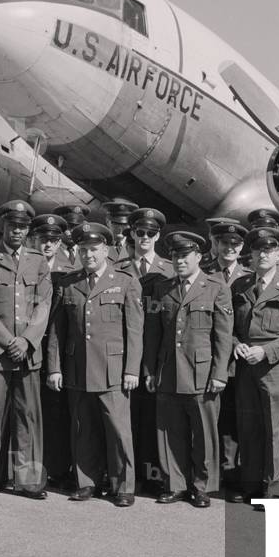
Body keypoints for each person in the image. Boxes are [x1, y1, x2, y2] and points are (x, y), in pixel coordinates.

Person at [46, 222, 144, 507]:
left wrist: (132, 369)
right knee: (83, 429)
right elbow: (56, 331)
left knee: (118, 431)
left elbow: (135, 331)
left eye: (94, 249)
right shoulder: (69, 283)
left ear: (107, 250)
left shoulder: (125, 281)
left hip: (113, 371)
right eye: (83, 249)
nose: (88, 255)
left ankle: (123, 486)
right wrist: (54, 367)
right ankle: (87, 483)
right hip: (78, 369)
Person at [0, 201, 52, 502]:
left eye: (23, 227)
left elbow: (43, 305)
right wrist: (8, 342)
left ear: (28, 230)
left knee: (28, 418)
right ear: (3, 226)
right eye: (13, 225)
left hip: (28, 355)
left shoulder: (38, 262)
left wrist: (27, 340)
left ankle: (28, 481)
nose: (17, 231)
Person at [143, 231, 234, 508]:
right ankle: (175, 484)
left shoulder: (216, 287)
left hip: (201, 373)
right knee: (170, 432)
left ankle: (202, 486)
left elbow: (223, 335)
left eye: (184, 256)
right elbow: (153, 334)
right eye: (174, 256)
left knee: (203, 434)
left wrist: (219, 373)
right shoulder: (163, 289)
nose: (179, 261)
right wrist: (150, 370)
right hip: (168, 371)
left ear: (198, 257)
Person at [230, 227, 279, 506]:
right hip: (246, 365)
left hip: (275, 368)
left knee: (276, 430)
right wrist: (237, 343)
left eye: (269, 250)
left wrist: (267, 351)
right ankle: (249, 484)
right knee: (248, 427)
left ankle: (275, 490)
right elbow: (230, 327)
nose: (263, 254)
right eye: (258, 249)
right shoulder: (240, 286)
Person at [115, 207, 174, 494]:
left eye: (151, 233)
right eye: (140, 232)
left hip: (156, 355)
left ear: (158, 235)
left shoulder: (170, 270)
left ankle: (153, 476)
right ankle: (125, 475)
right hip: (124, 354)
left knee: (154, 418)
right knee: (124, 416)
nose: (145, 238)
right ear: (132, 234)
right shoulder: (117, 268)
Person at [202, 220, 251, 499]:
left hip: (240, 362)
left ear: (241, 247)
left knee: (233, 421)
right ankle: (208, 475)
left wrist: (238, 344)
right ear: (216, 244)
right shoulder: (205, 273)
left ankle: (231, 476)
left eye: (235, 244)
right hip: (210, 356)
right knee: (209, 420)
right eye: (224, 243)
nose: (229, 248)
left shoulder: (249, 275)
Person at [31, 213, 73, 491]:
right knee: (29, 413)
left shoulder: (70, 272)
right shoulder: (24, 266)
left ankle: (57, 469)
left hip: (57, 351)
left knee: (58, 414)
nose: (48, 245)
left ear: (60, 243)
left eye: (53, 240)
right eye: (44, 239)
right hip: (28, 347)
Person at [52, 203, 90, 272]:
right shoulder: (50, 251)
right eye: (69, 226)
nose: (72, 231)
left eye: (76, 227)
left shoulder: (88, 252)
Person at [101, 197, 139, 261]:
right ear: (107, 222)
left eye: (125, 225)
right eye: (116, 223)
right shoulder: (97, 246)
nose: (120, 229)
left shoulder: (138, 249)